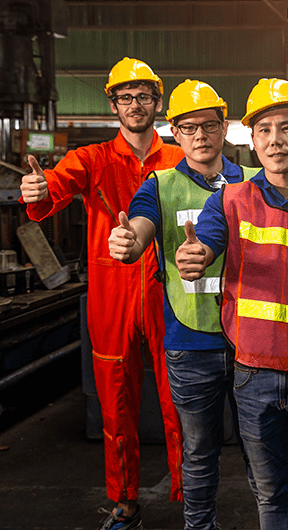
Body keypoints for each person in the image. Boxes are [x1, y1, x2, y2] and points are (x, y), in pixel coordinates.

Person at [19, 57, 184, 530]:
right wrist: (37, 188)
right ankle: (125, 501)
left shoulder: (178, 159)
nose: (136, 105)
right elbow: (54, 188)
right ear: (114, 104)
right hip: (112, 293)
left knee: (181, 398)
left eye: (144, 96)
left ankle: (189, 491)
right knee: (116, 402)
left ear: (157, 102)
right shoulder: (91, 159)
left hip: (167, 288)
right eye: (126, 97)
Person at [174, 78, 288, 530]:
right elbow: (206, 242)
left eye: (286, 127)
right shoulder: (229, 199)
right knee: (270, 494)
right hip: (253, 373)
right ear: (251, 139)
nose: (275, 140)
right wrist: (196, 256)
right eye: (263, 129)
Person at [107, 79, 258, 530]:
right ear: (174, 131)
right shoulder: (159, 186)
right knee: (198, 453)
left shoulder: (255, 183)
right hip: (189, 344)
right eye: (188, 127)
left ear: (224, 127)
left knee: (264, 452)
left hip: (251, 341)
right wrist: (128, 242)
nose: (200, 136)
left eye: (209, 125)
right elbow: (139, 229)